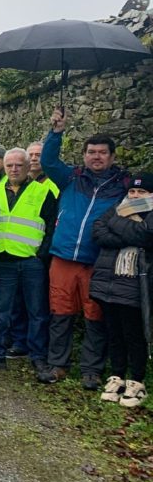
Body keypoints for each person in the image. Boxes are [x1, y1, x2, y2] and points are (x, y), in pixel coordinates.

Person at [37, 109, 129, 388]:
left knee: (94, 316)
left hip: (98, 260)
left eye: (102, 152)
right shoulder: (72, 178)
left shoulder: (122, 185)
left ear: (112, 157)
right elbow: (48, 161)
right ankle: (57, 366)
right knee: (61, 313)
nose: (96, 157)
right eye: (91, 152)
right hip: (63, 257)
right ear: (85, 155)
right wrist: (56, 132)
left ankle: (91, 371)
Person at [0, 148, 56, 375]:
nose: (13, 169)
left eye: (19, 165)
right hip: (2, 258)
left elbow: (51, 227)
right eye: (9, 165)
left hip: (31, 260)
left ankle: (38, 356)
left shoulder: (42, 193)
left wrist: (41, 255)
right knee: (1, 311)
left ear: (28, 167)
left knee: (37, 311)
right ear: (4, 166)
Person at [90, 173, 152, 408]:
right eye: (133, 192)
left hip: (136, 285)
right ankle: (117, 375)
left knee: (134, 334)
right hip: (109, 281)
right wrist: (129, 236)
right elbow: (97, 231)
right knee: (114, 332)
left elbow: (146, 235)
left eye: (142, 192)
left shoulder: (123, 212)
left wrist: (116, 225)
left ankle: (136, 380)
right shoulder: (118, 207)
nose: (135, 196)